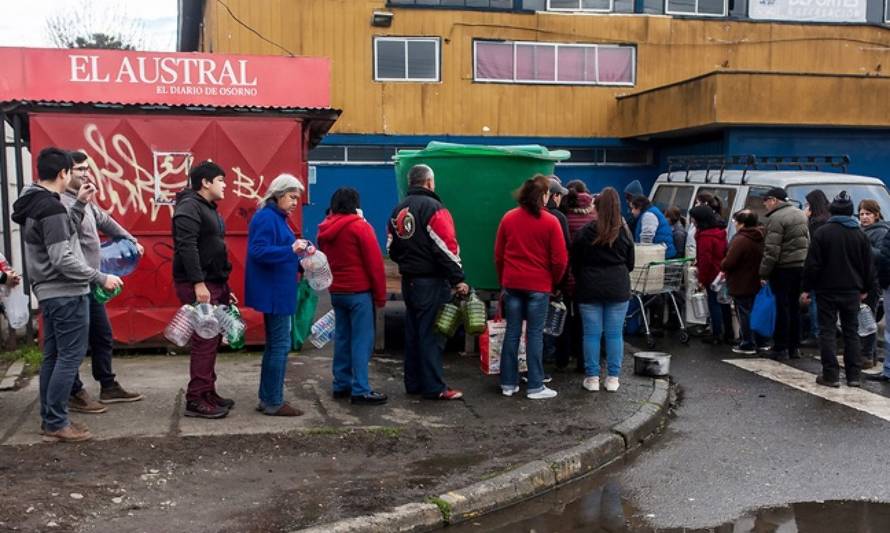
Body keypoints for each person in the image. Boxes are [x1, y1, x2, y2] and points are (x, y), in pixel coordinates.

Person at [11, 147, 123, 442]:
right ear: (63, 173)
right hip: (65, 291)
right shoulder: (51, 207)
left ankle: (51, 418)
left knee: (53, 356)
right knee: (69, 358)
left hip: (49, 291)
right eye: (75, 171)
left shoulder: (36, 203)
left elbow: (61, 235)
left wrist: (79, 206)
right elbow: (62, 256)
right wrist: (101, 277)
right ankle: (57, 422)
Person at [60, 151, 144, 414]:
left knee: (102, 335)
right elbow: (63, 241)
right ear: (65, 172)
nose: (85, 174)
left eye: (87, 169)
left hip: (92, 283)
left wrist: (131, 240)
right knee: (75, 342)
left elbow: (106, 221)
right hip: (75, 282)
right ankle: (74, 393)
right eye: (79, 170)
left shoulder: (85, 201)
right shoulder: (61, 203)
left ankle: (108, 385)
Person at [387, 164, 468, 400]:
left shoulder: (397, 210)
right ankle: (434, 387)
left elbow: (391, 249)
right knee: (432, 335)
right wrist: (458, 278)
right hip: (432, 282)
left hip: (410, 281)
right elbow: (446, 247)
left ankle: (413, 383)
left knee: (413, 333)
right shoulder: (434, 208)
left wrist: (409, 262)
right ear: (430, 182)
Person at [494, 175, 568, 399]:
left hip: (513, 284)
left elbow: (498, 255)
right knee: (535, 335)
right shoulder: (551, 222)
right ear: (543, 196)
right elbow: (560, 260)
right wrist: (553, 282)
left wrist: (503, 280)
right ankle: (535, 385)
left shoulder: (508, 218)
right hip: (539, 286)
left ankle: (508, 383)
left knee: (512, 333)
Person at [172, 160, 236, 419]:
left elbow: (215, 249)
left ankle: (208, 391)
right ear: (205, 183)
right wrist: (198, 283)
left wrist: (225, 285)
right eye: (220, 180)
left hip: (214, 282)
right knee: (204, 340)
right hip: (198, 284)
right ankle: (196, 399)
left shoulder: (208, 208)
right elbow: (186, 246)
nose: (225, 185)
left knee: (213, 339)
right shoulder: (188, 207)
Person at [318, 187, 388, 406]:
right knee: (361, 341)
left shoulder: (324, 229)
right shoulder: (360, 227)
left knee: (342, 338)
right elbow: (375, 264)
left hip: (336, 291)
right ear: (355, 204)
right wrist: (380, 296)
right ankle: (361, 389)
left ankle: (341, 384)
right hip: (358, 292)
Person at [245, 174, 305, 417]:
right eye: (292, 197)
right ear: (279, 194)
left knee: (275, 346)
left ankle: (268, 398)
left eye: (297, 199)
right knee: (280, 346)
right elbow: (258, 251)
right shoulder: (268, 218)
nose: (294, 203)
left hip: (278, 290)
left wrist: (300, 253)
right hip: (275, 292)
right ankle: (273, 401)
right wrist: (292, 249)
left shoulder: (275, 217)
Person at [802, 191, 871, 388]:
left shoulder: (822, 233)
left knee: (828, 331)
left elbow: (812, 264)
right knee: (851, 331)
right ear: (851, 213)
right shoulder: (859, 234)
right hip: (852, 290)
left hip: (827, 290)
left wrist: (806, 288)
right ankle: (854, 375)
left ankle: (830, 375)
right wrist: (865, 288)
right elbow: (867, 265)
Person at [572, 187, 634, 392]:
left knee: (591, 334)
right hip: (617, 287)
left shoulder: (584, 232)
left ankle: (592, 378)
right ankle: (613, 378)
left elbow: (575, 262)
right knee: (615, 334)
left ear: (595, 208)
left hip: (589, 287)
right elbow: (630, 263)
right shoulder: (623, 232)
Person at [759, 187, 809, 361]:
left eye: (765, 201)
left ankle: (780, 347)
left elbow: (771, 250)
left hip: (783, 268)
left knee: (782, 307)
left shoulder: (776, 218)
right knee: (795, 307)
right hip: (799, 266)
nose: (765, 205)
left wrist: (763, 273)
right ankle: (794, 347)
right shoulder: (801, 214)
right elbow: (806, 241)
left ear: (773, 200)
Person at [558, 184, 597, 372]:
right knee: (585, 321)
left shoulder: (563, 218)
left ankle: (562, 358)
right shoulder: (594, 218)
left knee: (563, 317)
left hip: (566, 273)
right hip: (586, 276)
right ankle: (583, 362)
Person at [721, 210, 765, 355]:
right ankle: (761, 341)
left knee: (744, 313)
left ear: (742, 224)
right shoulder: (760, 236)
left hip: (741, 281)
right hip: (755, 279)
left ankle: (747, 343)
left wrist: (723, 263)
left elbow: (729, 262)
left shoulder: (741, 239)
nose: (734, 224)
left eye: (736, 221)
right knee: (755, 311)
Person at [689, 205, 727, 345]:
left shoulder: (705, 237)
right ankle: (724, 332)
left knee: (714, 304)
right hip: (720, 273)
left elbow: (705, 260)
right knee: (721, 303)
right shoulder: (719, 232)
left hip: (712, 275)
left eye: (693, 217)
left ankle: (717, 334)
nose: (692, 220)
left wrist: (701, 280)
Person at [857, 199, 888, 369]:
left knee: (867, 319)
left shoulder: (880, 232)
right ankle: (869, 355)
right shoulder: (861, 230)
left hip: (872, 283)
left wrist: (864, 246)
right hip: (860, 280)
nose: (864, 217)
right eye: (861, 214)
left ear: (876, 215)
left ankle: (868, 355)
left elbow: (881, 256)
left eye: (868, 214)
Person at [802, 189, 831, 345]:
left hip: (818, 266)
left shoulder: (816, 223)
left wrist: (804, 218)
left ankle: (816, 333)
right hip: (831, 268)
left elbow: (811, 247)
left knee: (815, 299)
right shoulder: (830, 217)